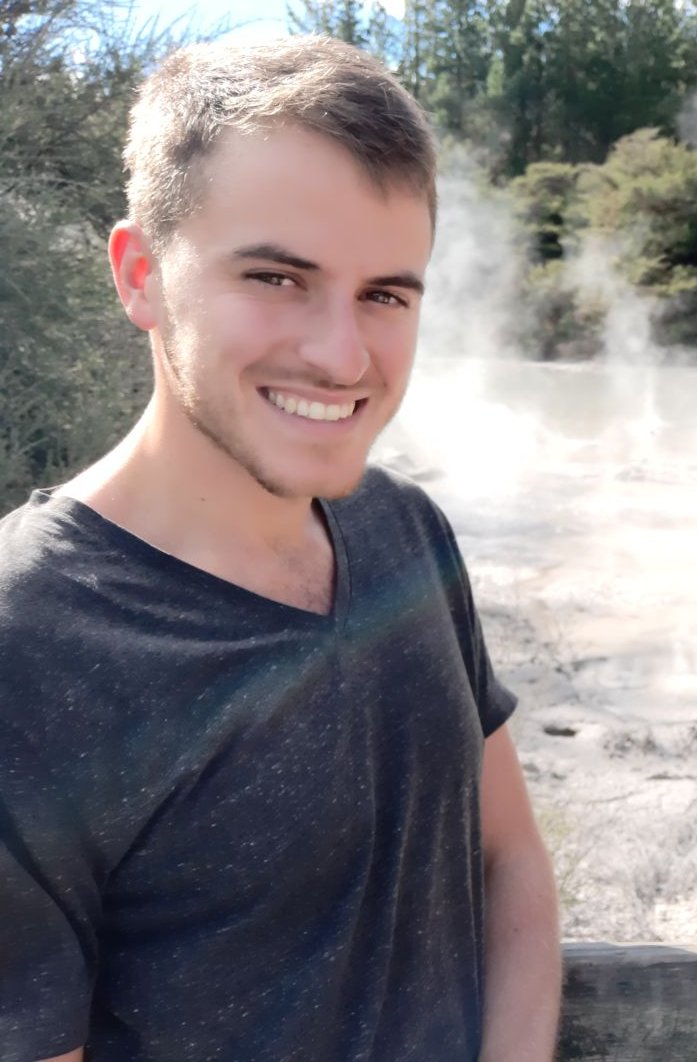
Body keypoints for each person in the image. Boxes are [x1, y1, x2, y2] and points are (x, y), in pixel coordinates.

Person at [0, 36, 561, 1062]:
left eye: (385, 294)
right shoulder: (28, 641)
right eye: (277, 277)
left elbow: (509, 859)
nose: (342, 357)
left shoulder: (405, 533)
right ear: (140, 276)